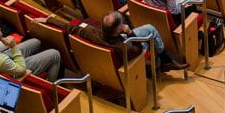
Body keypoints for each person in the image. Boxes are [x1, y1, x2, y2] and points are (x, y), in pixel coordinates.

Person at [34, 10, 188, 73]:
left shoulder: (90, 31)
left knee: (148, 28)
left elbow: (71, 27)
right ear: (118, 29)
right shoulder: (124, 47)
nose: (123, 24)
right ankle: (164, 61)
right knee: (150, 30)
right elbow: (140, 50)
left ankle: (165, 58)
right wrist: (130, 32)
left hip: (111, 46)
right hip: (132, 56)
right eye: (121, 24)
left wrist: (49, 20)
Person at [0, 15, 62, 81]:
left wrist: (1, 40)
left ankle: (43, 66)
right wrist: (13, 47)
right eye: (0, 30)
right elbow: (22, 70)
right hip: (12, 69)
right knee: (55, 54)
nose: (1, 31)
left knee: (36, 42)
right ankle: (51, 86)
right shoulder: (2, 61)